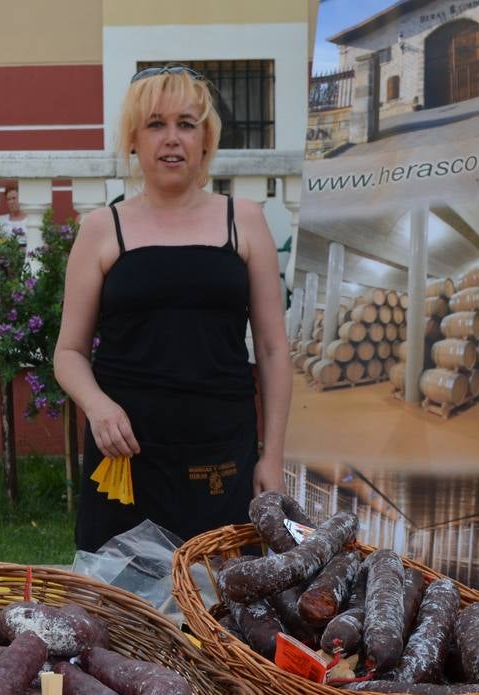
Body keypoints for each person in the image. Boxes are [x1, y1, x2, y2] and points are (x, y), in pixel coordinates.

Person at [54, 65, 291, 552]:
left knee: (223, 606)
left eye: (186, 123)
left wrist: (273, 456)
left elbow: (271, 349)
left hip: (223, 454)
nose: (171, 139)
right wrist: (98, 408)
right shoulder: (103, 228)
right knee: (123, 617)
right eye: (155, 124)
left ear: (206, 139)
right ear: (134, 140)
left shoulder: (243, 221)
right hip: (128, 457)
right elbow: (69, 352)